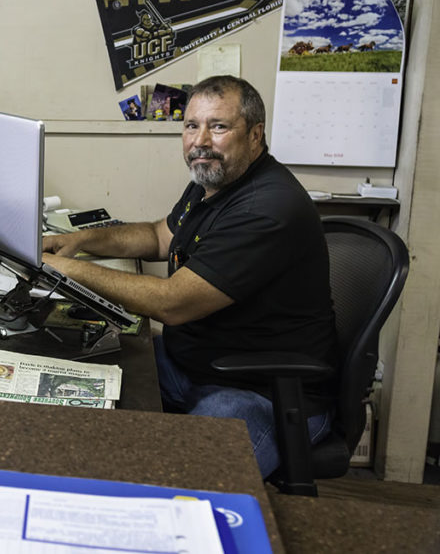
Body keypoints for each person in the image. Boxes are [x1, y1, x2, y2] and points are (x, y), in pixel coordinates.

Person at [42, 75, 338, 478]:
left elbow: (173, 303)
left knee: (179, 484)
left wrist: (68, 271)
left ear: (255, 136)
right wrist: (79, 240)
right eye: (190, 126)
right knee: (78, 369)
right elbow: (157, 235)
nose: (200, 141)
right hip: (193, 364)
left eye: (218, 127)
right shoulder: (213, 180)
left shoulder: (265, 208)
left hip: (262, 393)